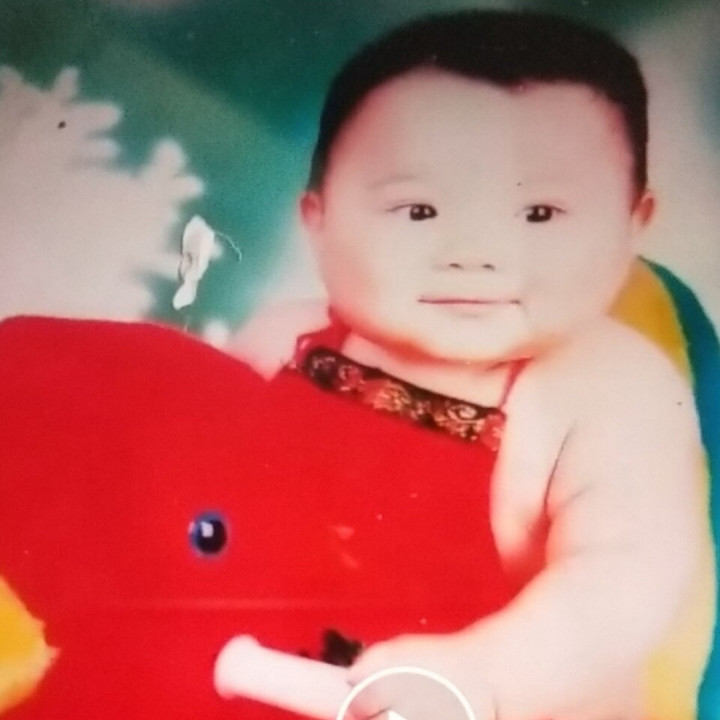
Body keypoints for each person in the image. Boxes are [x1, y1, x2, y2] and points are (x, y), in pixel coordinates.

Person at [0, 9, 710, 720]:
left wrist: (486, 675)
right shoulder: (293, 339)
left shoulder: (609, 390)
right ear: (319, 220)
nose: (475, 253)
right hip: (261, 676)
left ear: (634, 224)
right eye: (420, 210)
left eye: (540, 214)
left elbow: (620, 584)